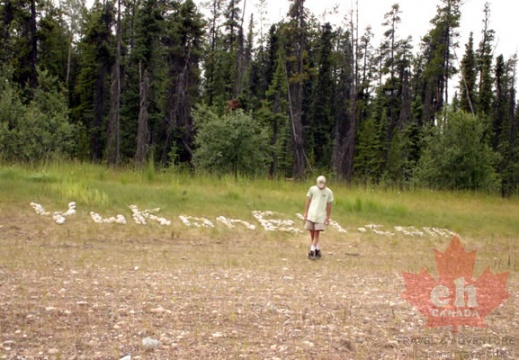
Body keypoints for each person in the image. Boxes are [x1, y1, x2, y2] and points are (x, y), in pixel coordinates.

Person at [303, 175, 333, 259]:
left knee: (316, 233)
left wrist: (327, 217)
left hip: (321, 216)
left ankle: (312, 251)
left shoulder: (329, 192)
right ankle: (317, 249)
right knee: (312, 232)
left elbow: (329, 205)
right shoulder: (312, 189)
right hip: (311, 214)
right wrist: (306, 212)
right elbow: (308, 200)